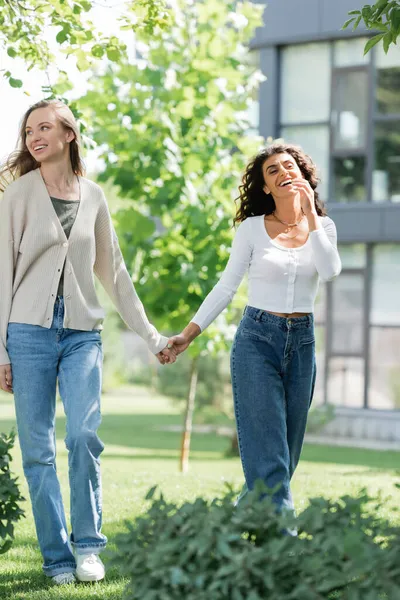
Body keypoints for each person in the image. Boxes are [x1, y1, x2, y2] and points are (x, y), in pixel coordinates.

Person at [0, 99, 175, 585]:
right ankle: (56, 558)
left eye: (45, 127)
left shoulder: (93, 196)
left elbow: (113, 273)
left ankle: (88, 547)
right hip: (27, 333)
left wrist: (151, 336)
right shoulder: (16, 196)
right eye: (28, 129)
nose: (34, 136)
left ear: (69, 135)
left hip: (82, 334)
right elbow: (1, 273)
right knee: (37, 449)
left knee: (82, 436)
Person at [167, 143, 341, 513]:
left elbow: (329, 271)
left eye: (288, 166)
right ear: (264, 187)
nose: (283, 173)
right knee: (269, 455)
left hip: (303, 343)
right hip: (257, 341)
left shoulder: (323, 227)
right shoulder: (251, 229)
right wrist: (188, 333)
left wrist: (309, 213)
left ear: (303, 174)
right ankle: (282, 544)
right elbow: (226, 287)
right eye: (272, 171)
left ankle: (229, 528)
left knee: (284, 456)